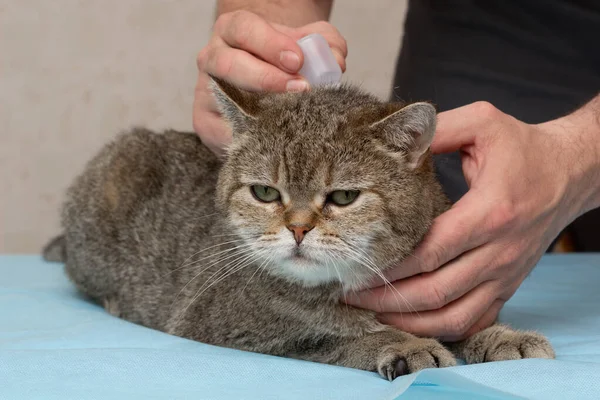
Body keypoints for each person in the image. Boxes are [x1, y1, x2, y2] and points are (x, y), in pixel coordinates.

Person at [193, 0, 600, 341]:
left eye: (341, 195)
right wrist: (268, 36)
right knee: (455, 249)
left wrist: (574, 155)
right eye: (267, 194)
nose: (299, 226)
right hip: (479, 29)